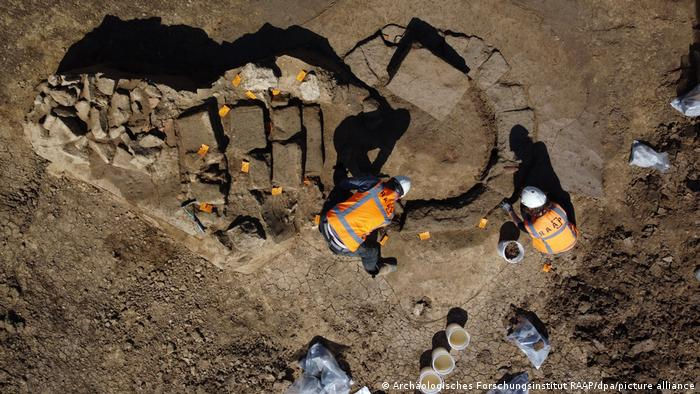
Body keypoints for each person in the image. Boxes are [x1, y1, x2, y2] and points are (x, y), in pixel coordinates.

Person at [319, 175, 411, 277]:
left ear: (390, 180)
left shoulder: (374, 183)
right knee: (373, 251)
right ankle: (374, 270)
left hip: (325, 223)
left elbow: (344, 183)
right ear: (399, 197)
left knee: (341, 194)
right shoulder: (389, 216)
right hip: (340, 246)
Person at [501, 186, 578, 255]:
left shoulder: (532, 227)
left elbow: (520, 225)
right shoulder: (557, 208)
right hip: (572, 241)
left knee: (530, 224)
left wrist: (509, 210)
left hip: (551, 250)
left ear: (529, 208)